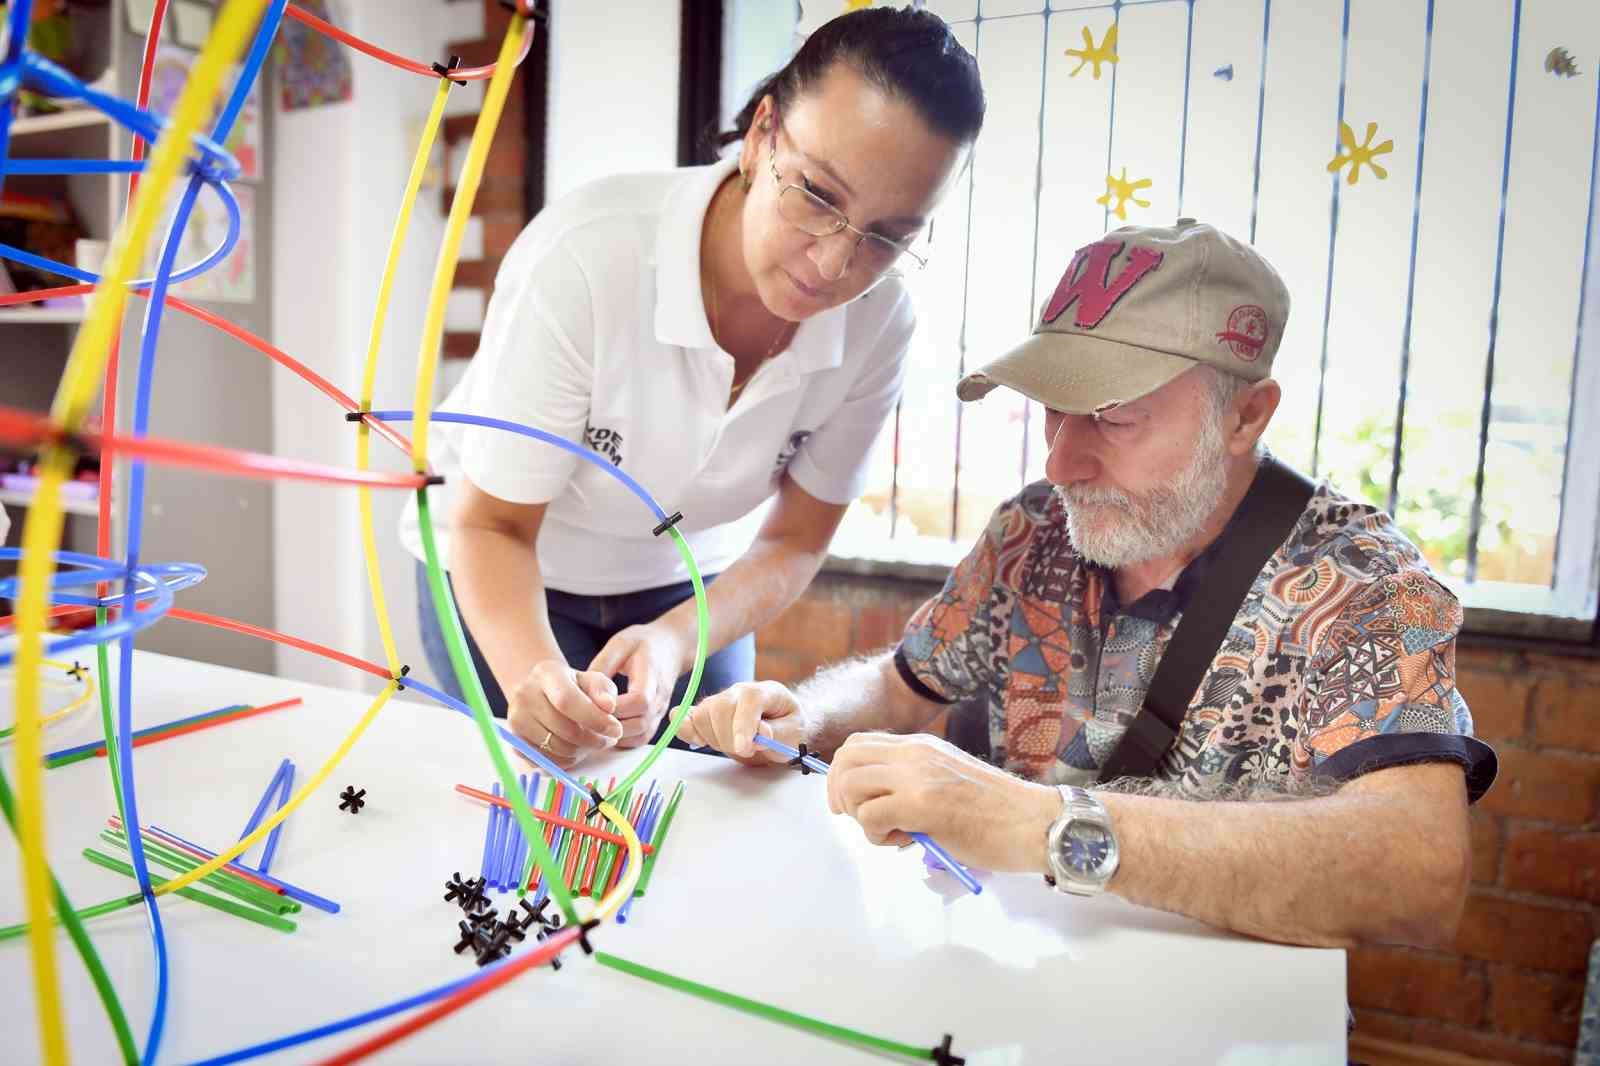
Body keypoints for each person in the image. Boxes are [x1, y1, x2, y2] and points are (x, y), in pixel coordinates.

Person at [680, 220, 1498, 949]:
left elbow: (1420, 879)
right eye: (1053, 411)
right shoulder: (1033, 532)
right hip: (1021, 971)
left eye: (1112, 416)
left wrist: (1043, 827)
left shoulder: (1364, 583)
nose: (1060, 463)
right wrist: (802, 717)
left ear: (1246, 415)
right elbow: (904, 686)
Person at [399, 7, 984, 768]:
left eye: (889, 237)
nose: (837, 264)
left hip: (687, 583)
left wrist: (674, 640)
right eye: (817, 194)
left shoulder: (881, 322)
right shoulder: (587, 259)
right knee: (547, 793)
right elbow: (492, 528)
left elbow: (795, 539)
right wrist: (538, 679)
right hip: (508, 561)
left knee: (710, 795)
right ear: (762, 133)